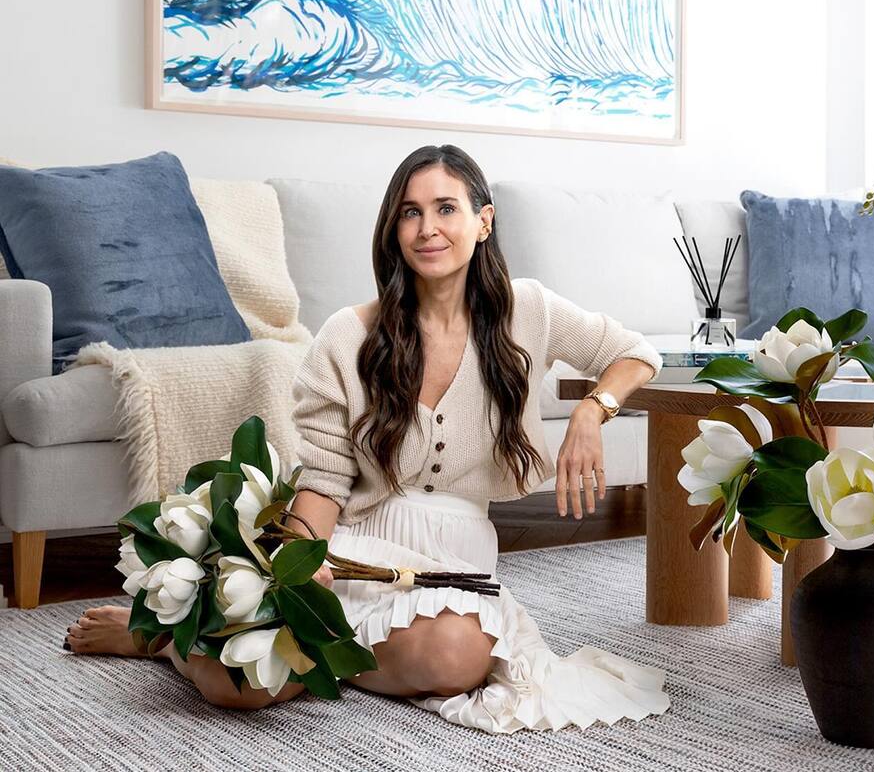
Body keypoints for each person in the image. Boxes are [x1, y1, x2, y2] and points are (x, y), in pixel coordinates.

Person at [65, 144, 671, 730]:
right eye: (411, 212)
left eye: (446, 208)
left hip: (452, 568)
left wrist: (593, 412)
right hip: (355, 547)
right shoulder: (348, 335)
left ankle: (310, 659)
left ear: (483, 222)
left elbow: (633, 352)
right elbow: (325, 483)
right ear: (393, 229)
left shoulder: (527, 310)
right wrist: (300, 563)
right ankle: (168, 641)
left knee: (457, 656)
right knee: (236, 690)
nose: (428, 228)